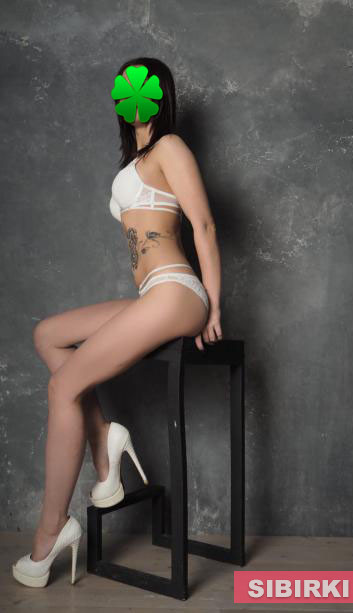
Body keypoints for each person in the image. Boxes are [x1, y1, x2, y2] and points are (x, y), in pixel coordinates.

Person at [12, 56, 223, 588]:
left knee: (63, 388)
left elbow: (202, 224)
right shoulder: (137, 158)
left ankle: (51, 532)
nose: (132, 97)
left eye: (142, 87)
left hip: (178, 290)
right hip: (153, 295)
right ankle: (106, 437)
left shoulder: (170, 147)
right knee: (48, 336)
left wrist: (215, 306)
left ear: (158, 95)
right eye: (124, 89)